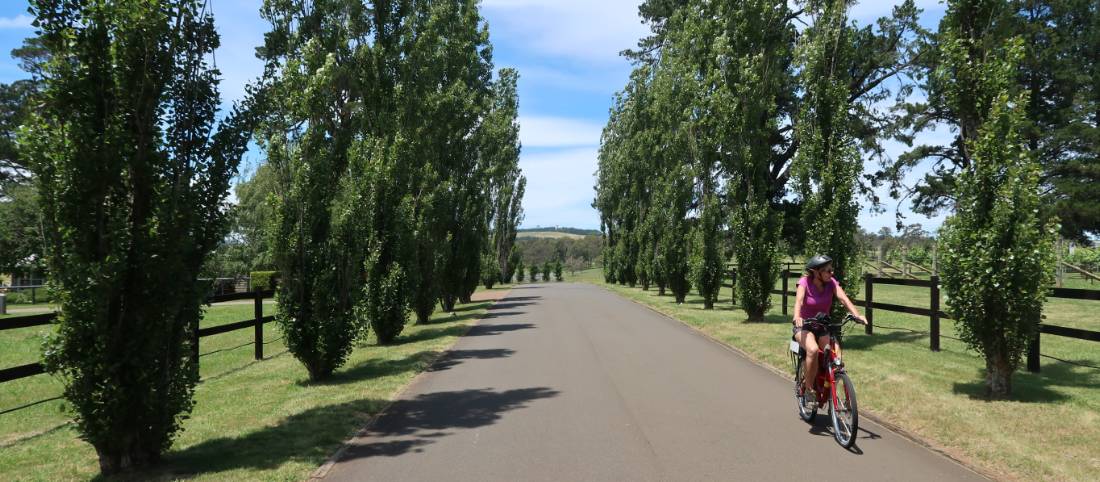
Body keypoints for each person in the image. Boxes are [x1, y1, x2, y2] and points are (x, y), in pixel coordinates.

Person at [792, 255, 866, 399]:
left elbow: (844, 299)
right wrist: (797, 317)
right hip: (804, 326)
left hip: (821, 325)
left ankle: (830, 386)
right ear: (815, 271)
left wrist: (857, 315)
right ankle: (808, 389)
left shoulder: (831, 283)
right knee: (812, 350)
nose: (831, 273)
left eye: (831, 270)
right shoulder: (804, 282)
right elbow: (799, 301)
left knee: (835, 355)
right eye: (827, 270)